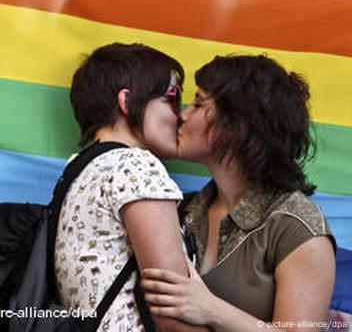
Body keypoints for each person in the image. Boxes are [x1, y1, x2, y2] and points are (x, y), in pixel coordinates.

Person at [141, 54, 336, 331]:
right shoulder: (182, 210)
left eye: (198, 103)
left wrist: (212, 310)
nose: (182, 114)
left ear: (238, 124)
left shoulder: (295, 226)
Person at [54, 42, 207, 332]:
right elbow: (172, 311)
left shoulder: (76, 168)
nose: (181, 115)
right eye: (172, 99)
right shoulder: (135, 167)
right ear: (127, 102)